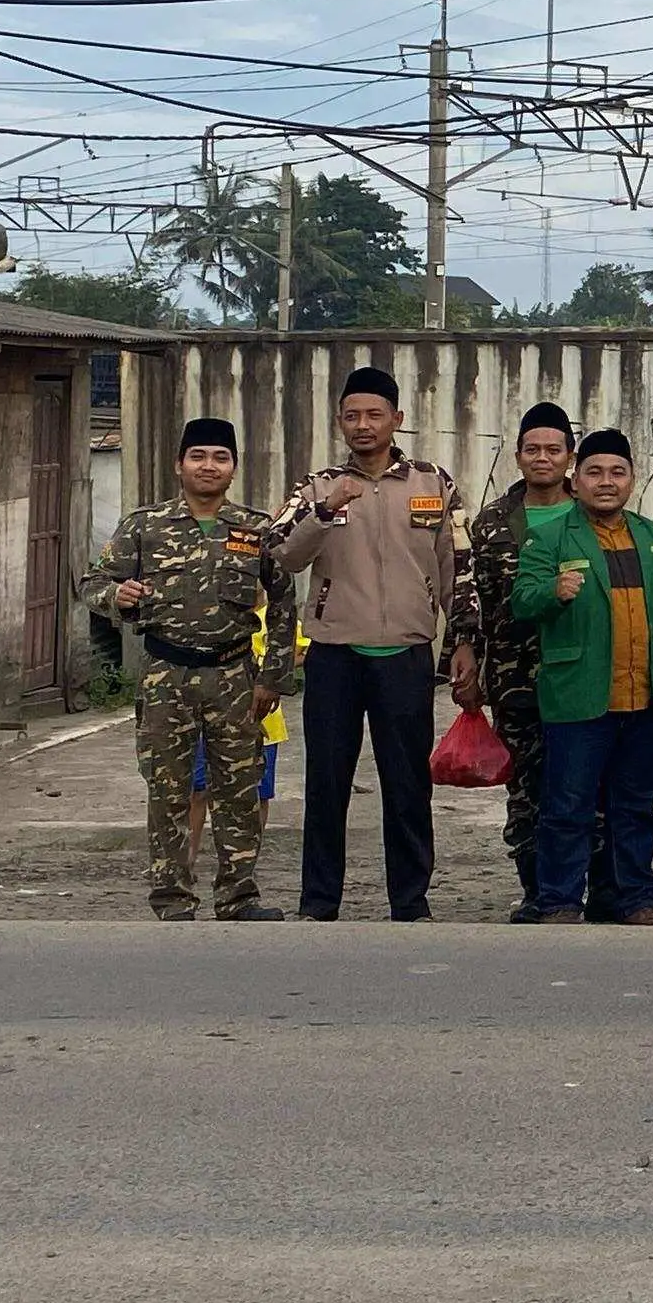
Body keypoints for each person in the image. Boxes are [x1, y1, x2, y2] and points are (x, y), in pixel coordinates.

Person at [273, 365, 466, 922]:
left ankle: (410, 901)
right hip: (335, 655)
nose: (363, 425)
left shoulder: (433, 483)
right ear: (339, 422)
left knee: (407, 784)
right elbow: (280, 553)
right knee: (327, 783)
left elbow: (458, 568)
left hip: (405, 656)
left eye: (374, 414)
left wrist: (464, 642)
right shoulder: (317, 486)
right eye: (352, 416)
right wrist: (326, 509)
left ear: (396, 420)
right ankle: (318, 902)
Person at [89, 419, 295, 922]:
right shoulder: (145, 526)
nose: (209, 466)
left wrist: (273, 678)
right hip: (166, 674)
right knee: (168, 791)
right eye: (198, 456)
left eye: (220, 457)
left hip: (234, 676)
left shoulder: (256, 528)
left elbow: (286, 604)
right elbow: (94, 583)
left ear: (233, 468)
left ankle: (238, 896)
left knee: (239, 791)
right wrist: (118, 596)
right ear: (180, 464)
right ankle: (172, 898)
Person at [509, 428, 653, 925]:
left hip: (642, 699)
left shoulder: (652, 537)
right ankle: (559, 901)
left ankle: (634, 898)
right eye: (594, 472)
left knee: (635, 808)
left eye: (617, 472)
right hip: (578, 696)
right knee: (567, 807)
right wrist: (553, 590)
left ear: (632, 479)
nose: (606, 482)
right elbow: (522, 601)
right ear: (577, 478)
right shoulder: (550, 535)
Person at [459, 402, 579, 916]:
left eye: (554, 450)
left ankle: (579, 887)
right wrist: (466, 659)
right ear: (518, 455)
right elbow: (476, 599)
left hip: (580, 674)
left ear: (570, 458)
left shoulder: (592, 516)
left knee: (579, 785)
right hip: (514, 678)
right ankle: (537, 891)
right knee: (526, 787)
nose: (543, 459)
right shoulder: (491, 523)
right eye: (533, 450)